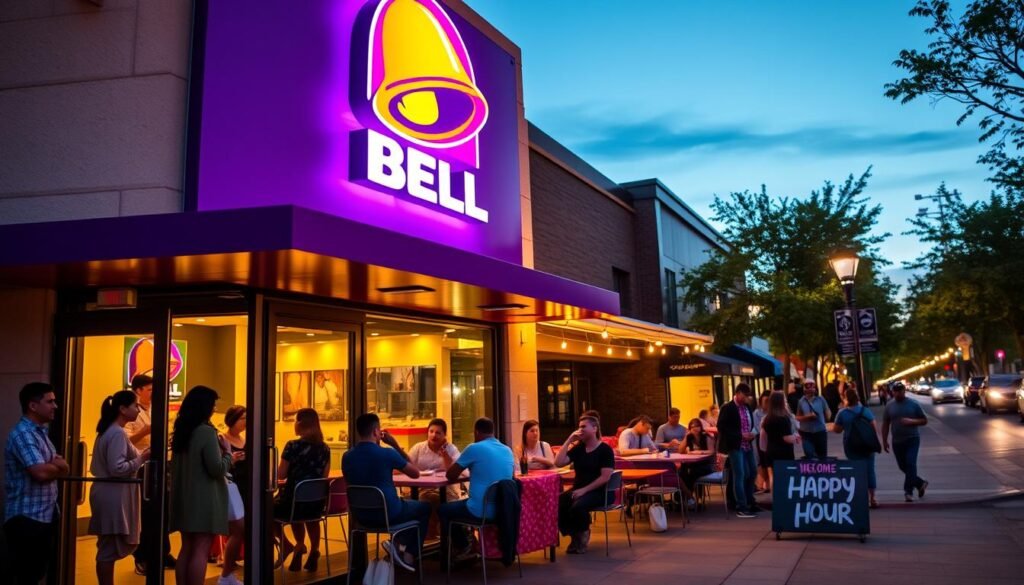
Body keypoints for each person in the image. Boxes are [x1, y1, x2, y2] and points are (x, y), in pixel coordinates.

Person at [169, 386, 242, 585]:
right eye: (212, 404)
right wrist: (228, 454)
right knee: (201, 549)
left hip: (185, 496)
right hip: (204, 499)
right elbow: (216, 469)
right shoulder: (206, 432)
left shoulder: (182, 431)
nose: (214, 408)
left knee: (186, 548)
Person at [342, 413, 429, 573]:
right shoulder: (387, 454)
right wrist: (395, 445)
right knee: (424, 508)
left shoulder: (347, 457)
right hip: (389, 513)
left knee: (409, 506)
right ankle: (408, 554)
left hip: (360, 517)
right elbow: (415, 473)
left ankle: (396, 544)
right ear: (376, 432)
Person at [4, 382, 69, 585]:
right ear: (33, 406)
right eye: (50, 401)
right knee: (26, 575)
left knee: (36, 572)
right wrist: (55, 465)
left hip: (44, 516)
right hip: (27, 518)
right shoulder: (23, 434)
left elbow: (64, 467)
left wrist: (55, 465)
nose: (55, 406)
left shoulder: (40, 433)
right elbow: (40, 472)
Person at [90, 391, 151, 585]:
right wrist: (141, 459)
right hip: (113, 494)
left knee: (108, 545)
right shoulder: (117, 433)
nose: (137, 410)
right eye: (134, 406)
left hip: (110, 492)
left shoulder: (111, 431)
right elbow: (117, 468)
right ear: (123, 409)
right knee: (108, 548)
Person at [440, 417, 515, 558]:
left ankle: (460, 547)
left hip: (479, 511)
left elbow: (451, 475)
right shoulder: (507, 450)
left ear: (476, 432)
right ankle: (468, 542)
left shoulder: (474, 448)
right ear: (493, 432)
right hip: (503, 510)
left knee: (444, 509)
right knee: (459, 505)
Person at [123, 374, 175, 575]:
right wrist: (145, 430)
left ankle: (163, 552)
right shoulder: (130, 411)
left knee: (163, 512)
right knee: (144, 513)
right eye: (150, 390)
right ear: (138, 390)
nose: (154, 394)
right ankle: (142, 556)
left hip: (163, 464)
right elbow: (127, 442)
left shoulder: (157, 408)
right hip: (142, 467)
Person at [275, 408, 331, 572]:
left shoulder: (292, 445)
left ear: (300, 423)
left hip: (293, 501)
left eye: (295, 420)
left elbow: (281, 474)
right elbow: (324, 476)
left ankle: (295, 545)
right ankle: (314, 549)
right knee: (311, 518)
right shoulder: (325, 448)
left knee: (268, 510)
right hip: (316, 503)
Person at [554, 415, 614, 554]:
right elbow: (559, 462)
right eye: (579, 427)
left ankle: (583, 534)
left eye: (583, 427)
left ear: (594, 428)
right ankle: (574, 535)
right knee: (559, 501)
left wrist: (584, 490)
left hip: (600, 492)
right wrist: (569, 440)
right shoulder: (579, 449)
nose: (579, 430)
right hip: (579, 490)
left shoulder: (605, 450)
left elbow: (605, 477)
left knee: (577, 506)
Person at [407, 418, 461, 539]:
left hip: (447, 490)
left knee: (437, 501)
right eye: (431, 431)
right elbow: (407, 465)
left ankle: (439, 537)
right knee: (427, 499)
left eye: (438, 433)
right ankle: (432, 536)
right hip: (422, 488)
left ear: (444, 435)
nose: (434, 435)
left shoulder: (451, 449)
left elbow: (454, 471)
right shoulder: (418, 448)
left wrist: (445, 453)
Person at [832, 387, 880, 508]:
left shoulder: (842, 413)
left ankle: (859, 498)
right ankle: (873, 498)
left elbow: (836, 430)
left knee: (855, 471)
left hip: (851, 446)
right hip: (867, 446)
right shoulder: (865, 411)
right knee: (870, 470)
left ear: (845, 399)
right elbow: (874, 426)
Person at [881, 382, 929, 502]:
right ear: (892, 392)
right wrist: (884, 440)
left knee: (910, 463)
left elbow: (924, 420)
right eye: (895, 391)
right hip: (897, 441)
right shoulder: (889, 405)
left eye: (899, 391)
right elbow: (885, 423)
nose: (897, 393)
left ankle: (908, 492)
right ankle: (920, 483)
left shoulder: (913, 404)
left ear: (904, 391)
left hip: (912, 439)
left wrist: (911, 421)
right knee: (903, 466)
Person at [717, 384, 759, 518]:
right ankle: (741, 506)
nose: (747, 398)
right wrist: (740, 435)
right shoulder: (728, 408)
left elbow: (750, 423)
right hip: (735, 446)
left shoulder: (747, 407)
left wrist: (752, 434)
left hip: (747, 445)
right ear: (738, 393)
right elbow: (721, 427)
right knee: (740, 474)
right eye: (745, 395)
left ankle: (749, 501)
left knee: (752, 471)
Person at [219, 405, 247, 585]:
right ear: (232, 420)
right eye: (242, 418)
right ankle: (226, 572)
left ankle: (229, 572)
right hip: (232, 487)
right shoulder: (222, 439)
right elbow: (219, 466)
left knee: (243, 530)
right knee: (237, 530)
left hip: (247, 487)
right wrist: (233, 459)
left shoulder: (244, 439)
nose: (245, 422)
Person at [761, 391, 801, 488]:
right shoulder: (783, 419)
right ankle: (783, 499)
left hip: (770, 451)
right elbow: (786, 438)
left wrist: (765, 450)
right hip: (783, 453)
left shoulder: (766, 419)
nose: (786, 402)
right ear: (781, 402)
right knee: (785, 477)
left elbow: (763, 438)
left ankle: (775, 499)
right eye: (784, 400)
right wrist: (795, 437)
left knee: (773, 477)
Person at [677, 418, 715, 506]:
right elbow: (680, 450)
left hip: (706, 465)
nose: (695, 428)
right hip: (692, 464)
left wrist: (699, 452)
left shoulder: (706, 436)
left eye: (697, 426)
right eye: (692, 426)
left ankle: (689, 498)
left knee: (691, 473)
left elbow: (712, 451)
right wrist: (686, 437)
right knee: (681, 472)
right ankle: (682, 499)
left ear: (700, 427)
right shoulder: (689, 437)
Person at [795, 380, 831, 459]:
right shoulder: (801, 401)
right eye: (808, 387)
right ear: (804, 389)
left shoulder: (821, 399)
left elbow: (827, 412)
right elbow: (797, 417)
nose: (810, 390)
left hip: (820, 431)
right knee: (809, 454)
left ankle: (821, 471)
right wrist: (807, 417)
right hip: (806, 433)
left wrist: (826, 417)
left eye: (812, 387)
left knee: (822, 456)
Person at [752, 392, 771, 493]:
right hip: (761, 440)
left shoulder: (773, 412)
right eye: (765, 401)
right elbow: (757, 428)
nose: (767, 404)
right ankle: (762, 484)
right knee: (763, 463)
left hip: (772, 441)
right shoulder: (756, 413)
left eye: (769, 401)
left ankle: (766, 484)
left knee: (769, 463)